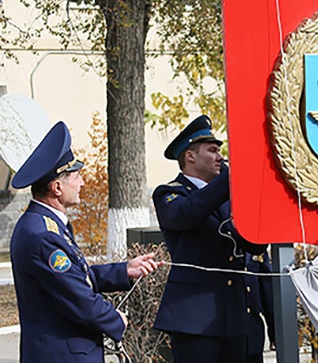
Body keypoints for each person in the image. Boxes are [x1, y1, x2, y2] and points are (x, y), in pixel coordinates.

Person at [10, 121, 161, 363]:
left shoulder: (44, 224)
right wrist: (115, 320)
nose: (82, 183)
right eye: (77, 176)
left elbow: (76, 275)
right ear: (57, 187)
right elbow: (76, 296)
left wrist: (124, 270)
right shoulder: (42, 234)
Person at [153, 115, 267, 363]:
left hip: (234, 315)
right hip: (195, 320)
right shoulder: (170, 193)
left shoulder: (227, 195)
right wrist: (231, 177)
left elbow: (253, 245)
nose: (221, 157)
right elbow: (188, 214)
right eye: (213, 150)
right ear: (190, 156)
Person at [244, 251, 275, 363]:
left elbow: (267, 289)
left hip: (250, 332)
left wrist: (274, 332)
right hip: (216, 331)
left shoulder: (255, 247)